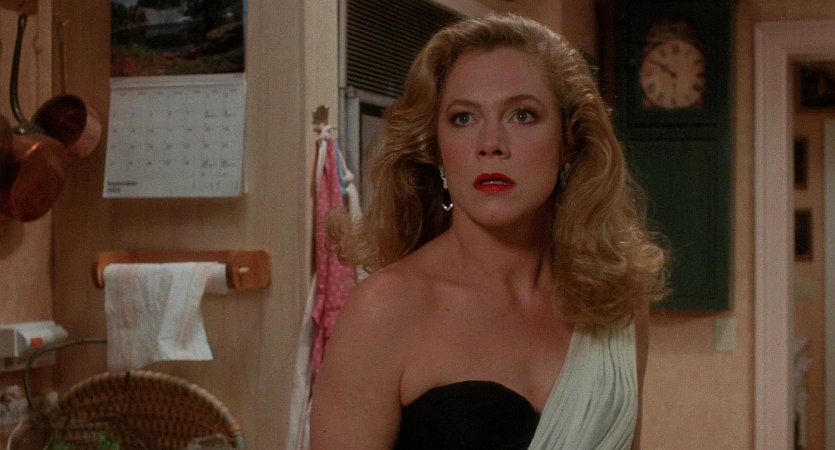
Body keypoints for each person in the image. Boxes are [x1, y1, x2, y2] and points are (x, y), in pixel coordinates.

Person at [310, 12, 668, 450]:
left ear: (569, 143)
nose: (491, 143)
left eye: (522, 115)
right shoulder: (383, 311)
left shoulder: (616, 306)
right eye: (463, 118)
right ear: (436, 148)